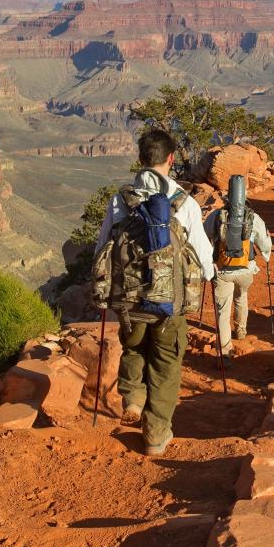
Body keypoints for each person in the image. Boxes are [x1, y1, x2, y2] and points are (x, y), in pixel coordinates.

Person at [94, 130, 214, 456]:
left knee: (133, 349)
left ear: (140, 158)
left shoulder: (121, 200)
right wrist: (210, 274)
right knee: (166, 365)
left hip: (130, 302)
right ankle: (155, 435)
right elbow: (202, 253)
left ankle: (133, 397)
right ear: (171, 159)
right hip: (169, 304)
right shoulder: (183, 201)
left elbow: (102, 246)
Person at [204, 174, 272, 366]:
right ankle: (241, 331)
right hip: (246, 270)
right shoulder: (254, 218)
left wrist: (208, 262)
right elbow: (264, 243)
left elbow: (205, 237)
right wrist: (266, 256)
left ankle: (225, 354)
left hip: (223, 271)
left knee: (222, 312)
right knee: (241, 297)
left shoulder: (217, 216)